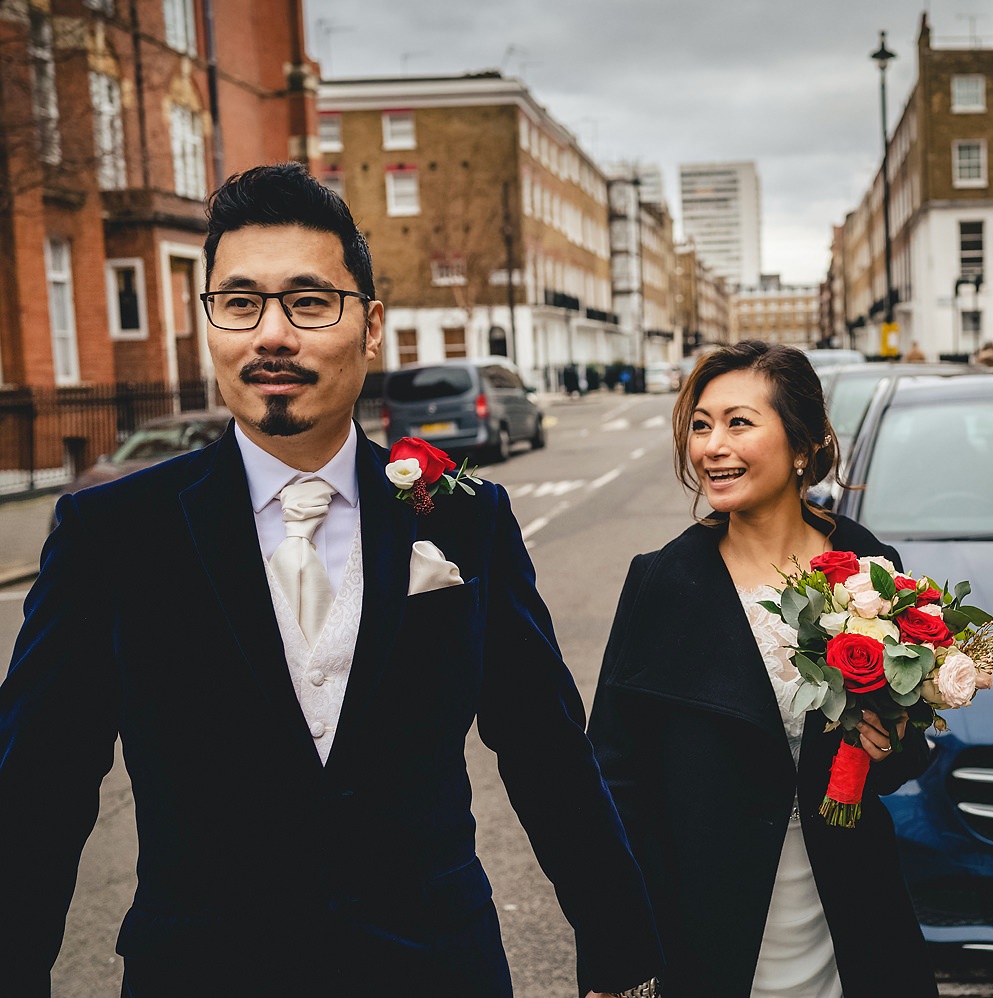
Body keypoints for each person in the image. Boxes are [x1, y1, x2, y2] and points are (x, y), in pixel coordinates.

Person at [0, 164, 660, 998]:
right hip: (204, 973)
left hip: (434, 969)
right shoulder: (113, 535)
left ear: (371, 325)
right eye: (240, 302)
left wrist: (621, 948)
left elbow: (546, 749)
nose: (272, 334)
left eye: (309, 302)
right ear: (212, 323)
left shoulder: (464, 520)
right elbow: (37, 793)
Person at [588, 341, 938, 997]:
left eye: (738, 422)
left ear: (802, 445)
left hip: (851, 912)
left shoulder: (871, 570)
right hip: (711, 921)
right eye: (701, 424)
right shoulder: (664, 582)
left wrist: (891, 746)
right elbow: (616, 777)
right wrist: (615, 952)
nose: (711, 446)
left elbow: (909, 746)